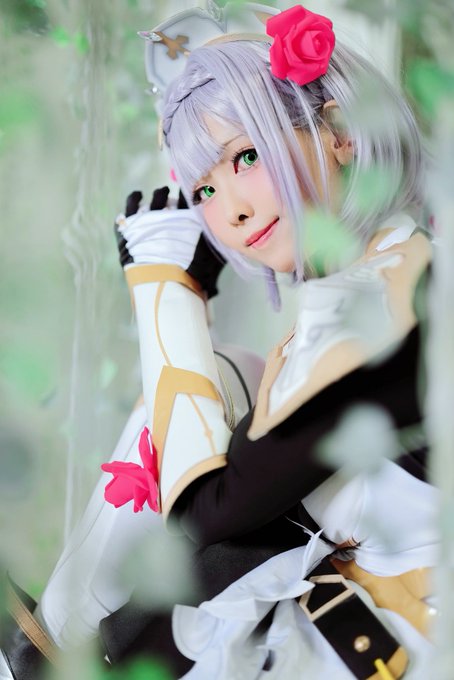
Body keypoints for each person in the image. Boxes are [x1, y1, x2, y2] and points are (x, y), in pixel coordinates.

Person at [1, 2, 437, 679]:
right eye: (204, 186)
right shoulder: (386, 272)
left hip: (384, 642)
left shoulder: (384, 299)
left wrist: (164, 291)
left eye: (247, 156)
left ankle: (44, 654)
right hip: (351, 622)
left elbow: (205, 513)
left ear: (341, 133)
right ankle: (47, 651)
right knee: (234, 372)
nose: (229, 208)